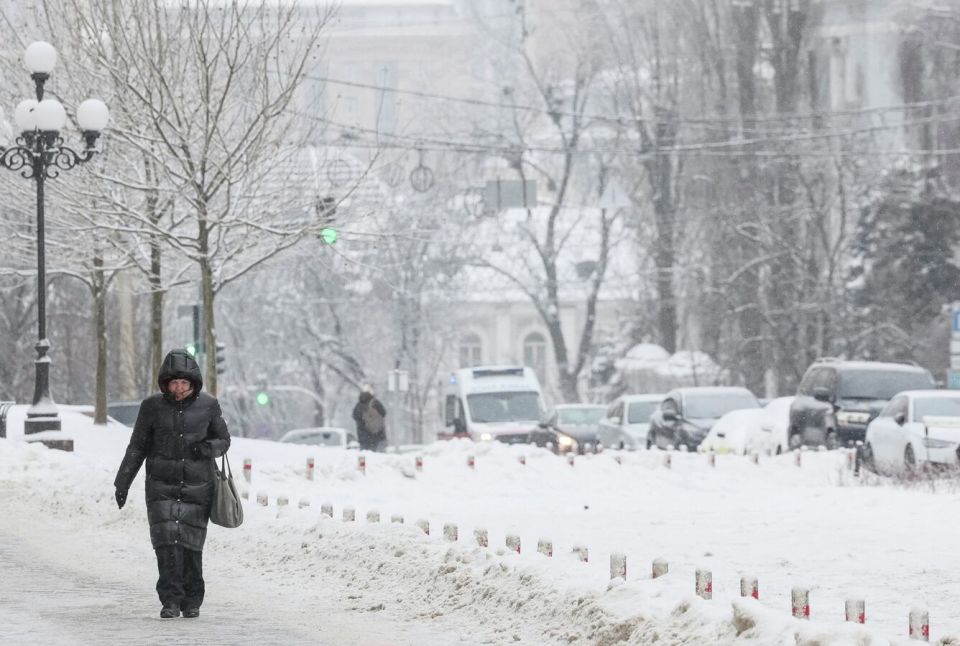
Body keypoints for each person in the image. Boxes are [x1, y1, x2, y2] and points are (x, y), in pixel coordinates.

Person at [114, 348, 231, 619]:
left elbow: (224, 440)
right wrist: (123, 483)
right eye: (174, 383)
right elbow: (137, 447)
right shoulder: (151, 407)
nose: (178, 388)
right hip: (160, 486)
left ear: (193, 384)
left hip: (198, 486)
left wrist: (207, 448)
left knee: (191, 545)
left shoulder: (209, 405)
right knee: (166, 544)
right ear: (165, 383)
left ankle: (192, 599)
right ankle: (170, 600)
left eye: (184, 383)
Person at [352, 386, 387, 451]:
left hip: (364, 439)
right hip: (379, 437)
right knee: (380, 459)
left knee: (364, 458)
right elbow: (384, 413)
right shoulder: (376, 403)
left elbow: (355, 416)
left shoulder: (358, 406)